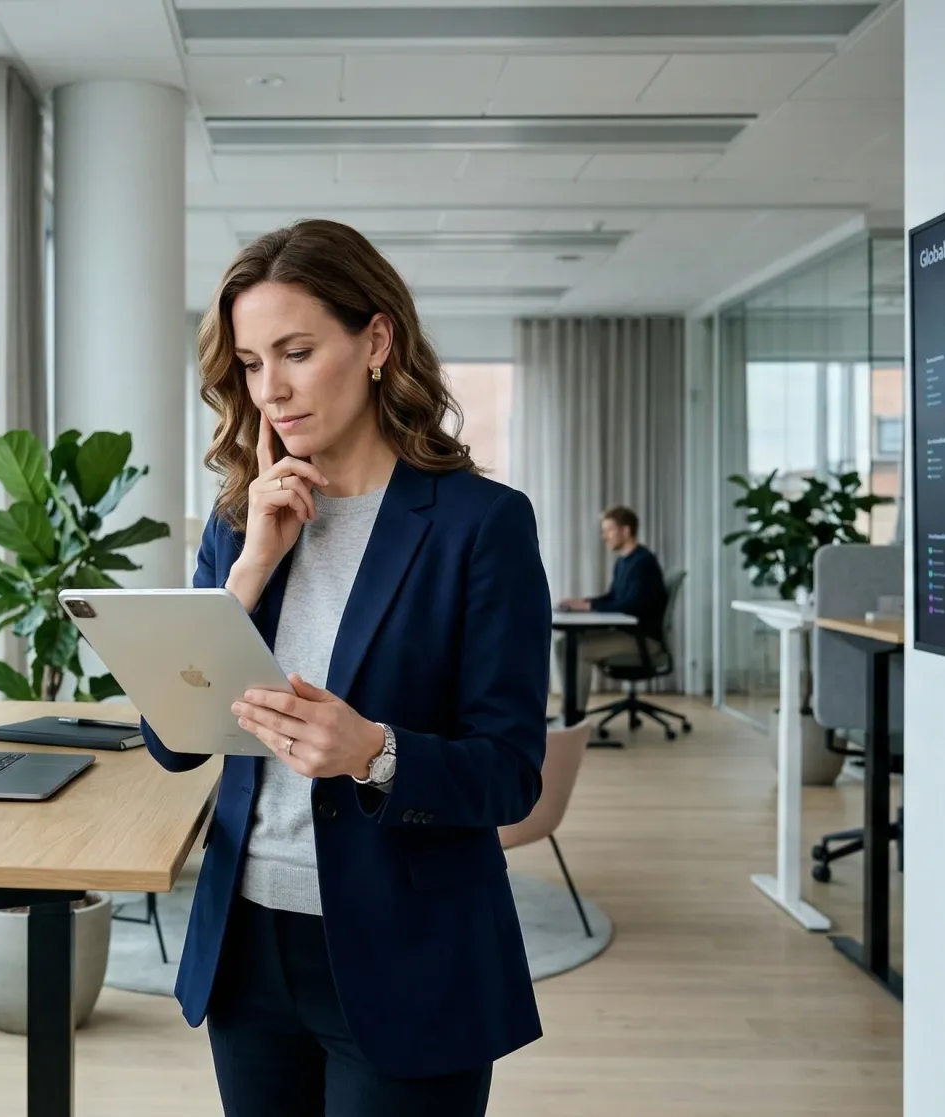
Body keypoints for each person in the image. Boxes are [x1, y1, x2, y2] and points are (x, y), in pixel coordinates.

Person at [140, 219, 550, 1117]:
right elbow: (170, 743)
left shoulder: (482, 525)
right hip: (248, 948)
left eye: (295, 351)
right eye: (250, 363)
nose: (271, 390)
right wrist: (246, 573)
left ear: (375, 340)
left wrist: (377, 750)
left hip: (409, 952)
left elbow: (514, 773)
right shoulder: (235, 524)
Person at [559, 505, 668, 664]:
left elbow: (630, 607)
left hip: (642, 639)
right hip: (627, 634)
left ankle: (575, 691)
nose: (604, 536)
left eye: (609, 530)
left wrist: (589, 606)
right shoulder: (623, 561)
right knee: (562, 645)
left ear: (626, 531)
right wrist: (584, 603)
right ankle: (568, 690)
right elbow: (613, 597)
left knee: (578, 650)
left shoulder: (643, 562)